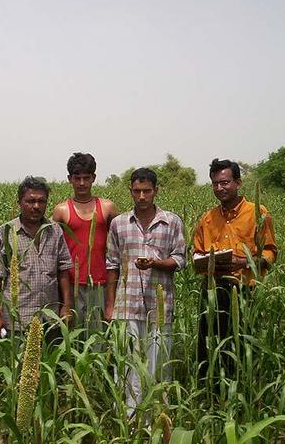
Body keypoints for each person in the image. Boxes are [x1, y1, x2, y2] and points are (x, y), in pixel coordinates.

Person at [105, 168, 186, 414]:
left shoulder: (171, 221)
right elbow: (112, 264)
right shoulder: (119, 223)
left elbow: (180, 259)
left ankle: (156, 419)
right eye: (137, 191)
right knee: (127, 363)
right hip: (126, 305)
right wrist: (110, 305)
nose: (141, 196)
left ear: (156, 191)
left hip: (159, 306)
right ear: (130, 191)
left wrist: (155, 263)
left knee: (157, 363)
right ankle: (129, 418)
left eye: (146, 191)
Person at [193, 159, 277, 378]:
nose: (219, 188)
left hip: (244, 290)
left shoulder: (257, 213)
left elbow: (270, 252)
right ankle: (210, 393)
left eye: (225, 183)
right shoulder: (208, 218)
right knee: (209, 344)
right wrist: (205, 263)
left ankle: (242, 391)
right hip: (213, 290)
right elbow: (197, 252)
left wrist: (245, 262)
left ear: (238, 183)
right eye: (215, 184)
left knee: (242, 345)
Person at [0, 176, 73, 343]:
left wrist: (66, 306)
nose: (36, 206)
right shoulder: (5, 232)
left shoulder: (55, 231)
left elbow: (63, 271)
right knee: (19, 367)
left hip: (50, 320)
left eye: (41, 201)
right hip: (18, 320)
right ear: (19, 202)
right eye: (30, 201)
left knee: (50, 367)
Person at [52, 152, 117, 327]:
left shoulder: (107, 207)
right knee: (72, 338)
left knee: (98, 339)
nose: (81, 183)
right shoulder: (62, 210)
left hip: (101, 284)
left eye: (86, 178)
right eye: (77, 178)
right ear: (69, 179)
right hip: (71, 285)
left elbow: (118, 245)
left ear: (93, 178)